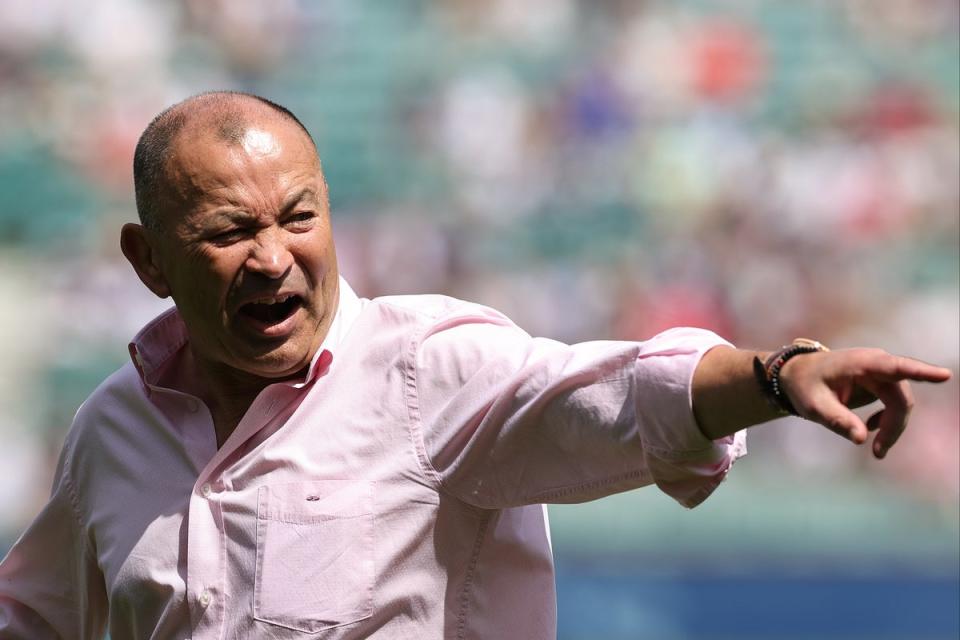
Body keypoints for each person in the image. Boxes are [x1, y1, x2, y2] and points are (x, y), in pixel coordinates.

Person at [0, 91, 950, 639]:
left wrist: (777, 376)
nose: (274, 256)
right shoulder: (112, 429)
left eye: (298, 217)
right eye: (228, 230)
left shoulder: (425, 369)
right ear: (148, 259)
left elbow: (612, 392)